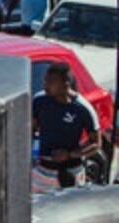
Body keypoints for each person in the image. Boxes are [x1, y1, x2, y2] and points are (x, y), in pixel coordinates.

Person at [31, 61, 102, 192]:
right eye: (45, 80)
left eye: (51, 82)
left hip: (71, 172)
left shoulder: (82, 108)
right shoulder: (39, 101)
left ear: (65, 84)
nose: (45, 85)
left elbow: (96, 144)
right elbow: (30, 130)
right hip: (42, 171)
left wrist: (70, 154)